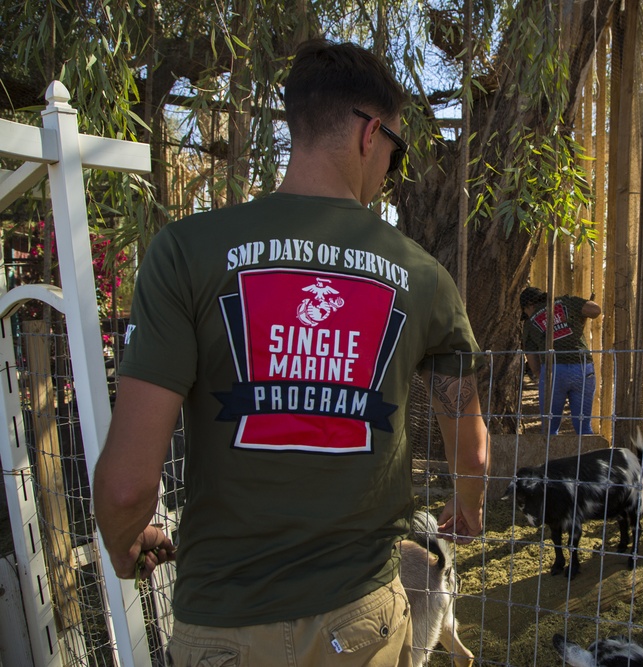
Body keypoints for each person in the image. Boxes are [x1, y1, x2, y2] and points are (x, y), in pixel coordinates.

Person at [93, 39, 489, 666]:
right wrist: (466, 504)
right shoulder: (424, 278)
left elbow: (125, 490)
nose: (391, 164)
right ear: (370, 135)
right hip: (359, 627)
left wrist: (123, 544)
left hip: (220, 629)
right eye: (396, 148)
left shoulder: (185, 252)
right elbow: (473, 450)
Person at [520, 286, 601, 435]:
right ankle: (588, 457)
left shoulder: (530, 324)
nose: (526, 315)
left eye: (525, 312)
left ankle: (550, 457)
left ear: (530, 305)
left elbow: (533, 362)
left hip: (553, 371)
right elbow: (595, 310)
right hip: (583, 368)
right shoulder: (566, 302)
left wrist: (544, 377)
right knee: (584, 427)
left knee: (550, 429)